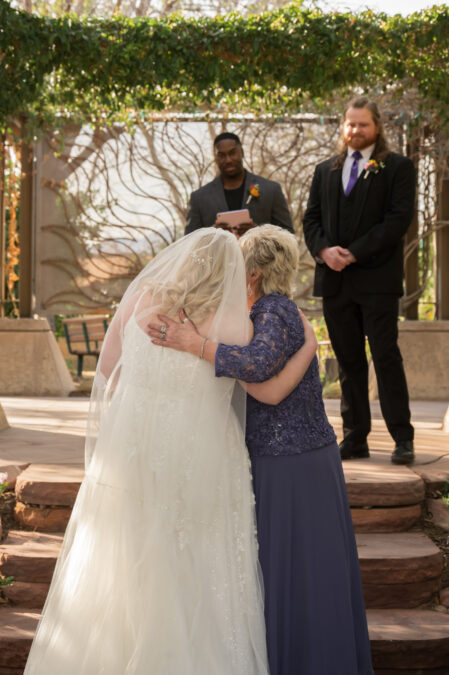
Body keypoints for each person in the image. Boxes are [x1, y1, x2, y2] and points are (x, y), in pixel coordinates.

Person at [24, 228, 318, 675]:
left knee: (127, 555)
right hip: (203, 454)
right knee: (198, 559)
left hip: (136, 449)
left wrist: (142, 407)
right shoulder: (233, 322)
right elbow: (262, 389)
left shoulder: (141, 300)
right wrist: (307, 349)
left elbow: (108, 370)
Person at [148, 225, 374, 675]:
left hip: (292, 463)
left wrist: (196, 344)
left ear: (252, 273)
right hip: (291, 459)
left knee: (302, 577)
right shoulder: (271, 311)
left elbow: (257, 368)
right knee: (292, 576)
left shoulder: (273, 311)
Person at [303, 97, 415, 465]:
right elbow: (311, 220)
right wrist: (324, 251)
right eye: (350, 124)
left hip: (377, 280)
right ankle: (354, 438)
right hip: (335, 281)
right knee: (349, 360)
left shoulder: (397, 167)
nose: (355, 130)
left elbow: (397, 221)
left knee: (385, 357)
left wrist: (354, 252)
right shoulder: (325, 170)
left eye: (362, 124)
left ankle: (402, 438)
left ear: (377, 127)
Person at [184, 132, 294, 235]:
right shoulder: (199, 198)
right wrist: (212, 234)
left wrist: (258, 233)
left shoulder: (271, 190)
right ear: (216, 158)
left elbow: (288, 235)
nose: (228, 160)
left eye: (232, 153)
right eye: (221, 155)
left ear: (242, 152)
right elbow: (188, 243)